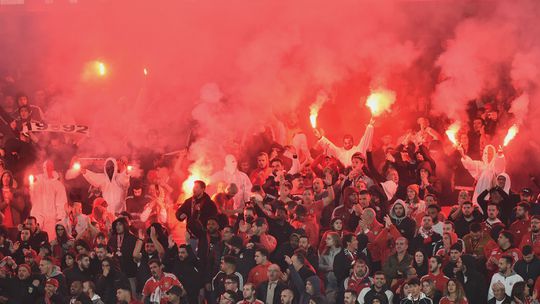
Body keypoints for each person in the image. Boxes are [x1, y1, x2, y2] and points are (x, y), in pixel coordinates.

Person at [29, 160, 67, 237]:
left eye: (49, 167)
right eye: (45, 167)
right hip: (38, 214)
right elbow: (31, 195)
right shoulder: (38, 181)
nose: (46, 169)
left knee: (50, 238)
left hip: (51, 217)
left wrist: (60, 217)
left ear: (52, 168)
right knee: (35, 237)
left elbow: (61, 202)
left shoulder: (58, 185)